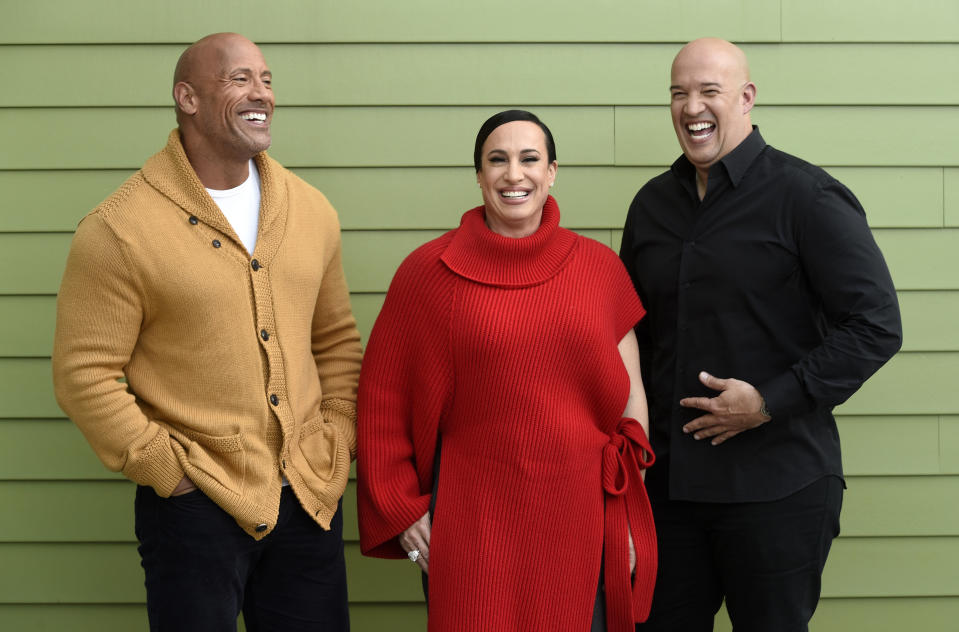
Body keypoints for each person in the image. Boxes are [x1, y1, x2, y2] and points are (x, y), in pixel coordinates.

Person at [51, 33, 362, 631]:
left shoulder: (311, 210)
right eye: (240, 78)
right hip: (194, 507)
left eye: (267, 80)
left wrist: (338, 435)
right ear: (187, 97)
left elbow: (337, 342)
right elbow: (83, 374)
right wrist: (168, 470)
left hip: (308, 492)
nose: (262, 94)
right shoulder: (120, 229)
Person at [619, 38, 903, 631]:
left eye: (708, 91)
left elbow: (876, 325)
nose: (691, 106)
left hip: (777, 488)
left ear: (746, 98)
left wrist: (770, 401)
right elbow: (631, 338)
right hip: (668, 491)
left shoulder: (807, 197)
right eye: (678, 93)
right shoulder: (650, 207)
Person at [357, 110, 656, 632]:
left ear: (553, 171)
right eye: (497, 160)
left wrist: (631, 513)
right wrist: (402, 509)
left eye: (529, 159)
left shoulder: (599, 268)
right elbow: (382, 401)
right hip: (474, 526)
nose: (514, 174)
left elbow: (632, 405)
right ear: (478, 175)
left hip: (581, 522)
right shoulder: (429, 272)